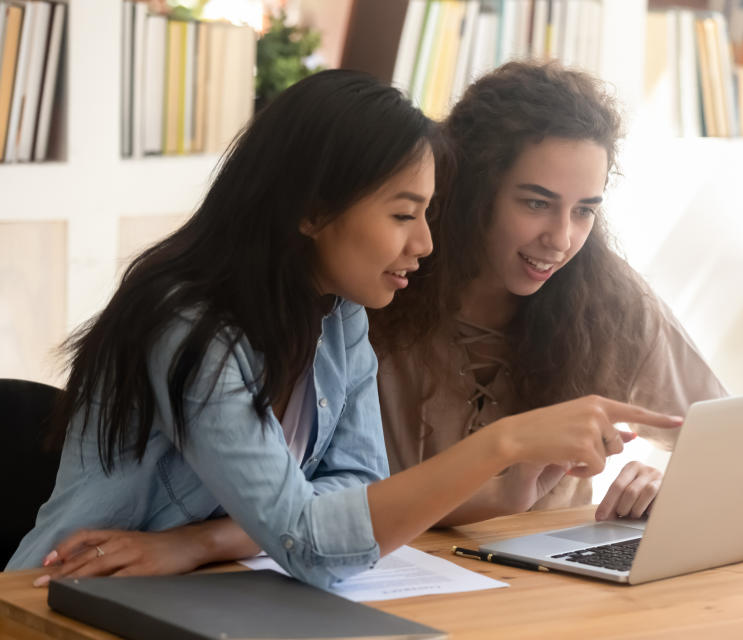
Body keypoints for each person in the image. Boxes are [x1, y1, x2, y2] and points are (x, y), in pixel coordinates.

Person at [7, 69, 680, 588]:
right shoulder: (192, 330)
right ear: (312, 210)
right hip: (62, 598)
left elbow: (348, 498)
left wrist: (207, 543)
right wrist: (503, 443)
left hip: (214, 591)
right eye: (402, 215)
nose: (424, 243)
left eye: (428, 215)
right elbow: (313, 543)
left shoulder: (340, 320)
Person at [369, 61, 727, 525]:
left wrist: (669, 485)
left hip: (551, 584)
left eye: (583, 211)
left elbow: (730, 439)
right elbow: (325, 504)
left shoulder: (610, 301)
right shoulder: (381, 284)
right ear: (473, 188)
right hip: (390, 575)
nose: (561, 239)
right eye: (537, 203)